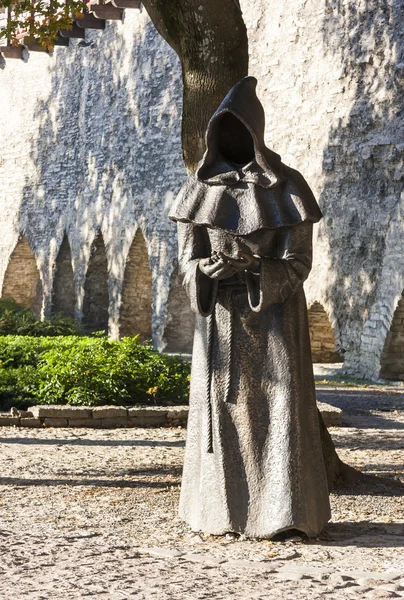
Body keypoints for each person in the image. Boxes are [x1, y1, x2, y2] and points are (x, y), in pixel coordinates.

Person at [169, 76, 331, 539]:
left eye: (241, 130)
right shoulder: (198, 191)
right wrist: (207, 270)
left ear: (256, 133)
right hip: (220, 322)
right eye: (225, 131)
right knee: (222, 414)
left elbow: (298, 261)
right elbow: (186, 262)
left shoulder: (288, 186)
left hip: (276, 321)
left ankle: (285, 513)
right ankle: (217, 512)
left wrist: (257, 266)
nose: (234, 139)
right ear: (214, 137)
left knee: (279, 413)